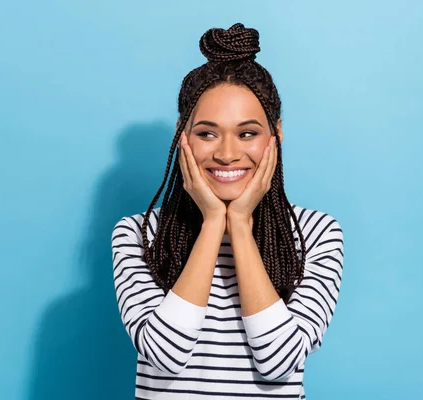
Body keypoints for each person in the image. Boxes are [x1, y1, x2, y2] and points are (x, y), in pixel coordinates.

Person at [111, 23, 344, 399]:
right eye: (206, 133)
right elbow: (164, 355)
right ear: (181, 135)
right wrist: (213, 222)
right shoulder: (139, 235)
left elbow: (280, 360)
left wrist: (239, 224)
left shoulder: (316, 233)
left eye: (247, 133)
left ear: (276, 134)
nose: (226, 153)